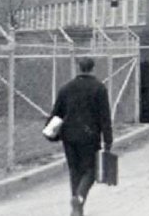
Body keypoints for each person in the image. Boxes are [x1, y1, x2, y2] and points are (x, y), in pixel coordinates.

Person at [49, 57, 113, 216]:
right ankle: (79, 198)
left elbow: (57, 113)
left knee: (74, 170)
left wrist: (51, 133)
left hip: (69, 136)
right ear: (93, 68)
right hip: (90, 136)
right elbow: (105, 117)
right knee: (91, 171)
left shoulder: (66, 88)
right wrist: (108, 140)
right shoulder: (99, 88)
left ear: (79, 68)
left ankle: (77, 208)